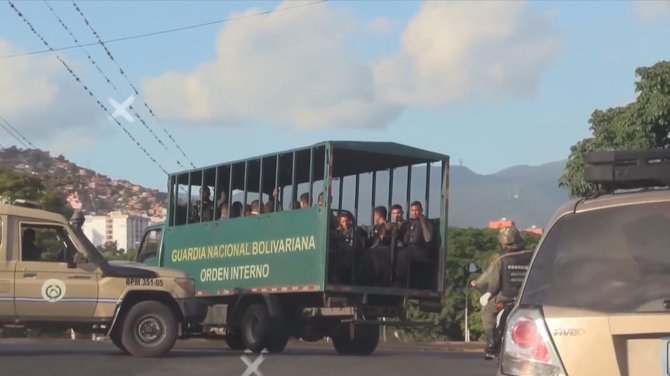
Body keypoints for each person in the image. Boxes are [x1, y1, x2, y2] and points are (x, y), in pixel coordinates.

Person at [471, 226, 533, 360]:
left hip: (506, 297)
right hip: (528, 298)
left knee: (487, 310)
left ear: (503, 243)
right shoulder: (532, 255)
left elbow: (493, 285)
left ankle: (492, 342)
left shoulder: (501, 258)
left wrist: (489, 293)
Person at [394, 201, 433, 287]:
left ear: (421, 210)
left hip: (421, 250)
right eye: (412, 210)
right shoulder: (408, 223)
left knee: (402, 254)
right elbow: (399, 237)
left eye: (416, 210)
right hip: (408, 249)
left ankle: (402, 282)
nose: (414, 213)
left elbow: (428, 239)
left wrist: (423, 223)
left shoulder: (427, 222)